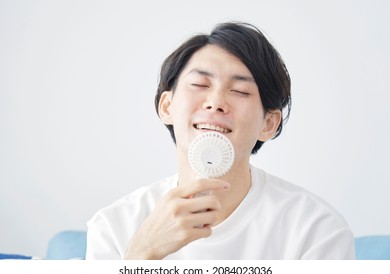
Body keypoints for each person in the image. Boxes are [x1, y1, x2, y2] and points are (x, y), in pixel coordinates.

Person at [86, 22, 355, 260]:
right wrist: (140, 256)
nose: (215, 103)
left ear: (268, 123)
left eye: (239, 91)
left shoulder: (316, 230)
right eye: (201, 85)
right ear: (167, 106)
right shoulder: (114, 227)